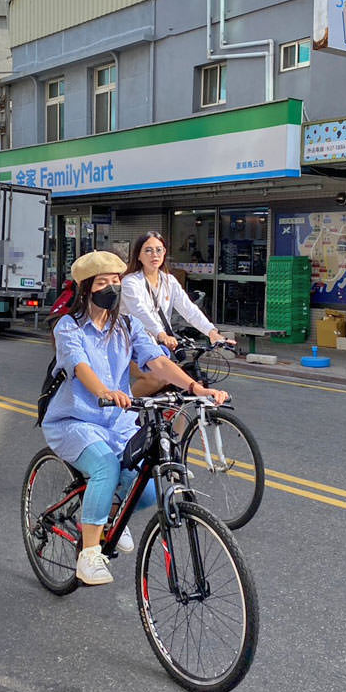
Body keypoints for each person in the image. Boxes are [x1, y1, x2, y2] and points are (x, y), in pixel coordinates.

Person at [41, 250, 229, 586]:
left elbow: (157, 361)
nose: (111, 289)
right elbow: (80, 366)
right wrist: (105, 391)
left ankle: (107, 517)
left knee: (147, 490)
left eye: (116, 281)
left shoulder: (128, 324)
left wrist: (195, 387)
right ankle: (88, 555)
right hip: (76, 420)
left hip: (118, 422)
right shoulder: (69, 327)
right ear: (86, 288)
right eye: (103, 283)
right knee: (105, 468)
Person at [120, 231, 234, 397]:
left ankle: (178, 422)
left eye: (159, 250)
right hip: (129, 343)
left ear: (164, 253)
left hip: (156, 344)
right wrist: (161, 334)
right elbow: (141, 312)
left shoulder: (169, 281)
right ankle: (123, 413)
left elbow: (189, 309)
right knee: (155, 379)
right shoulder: (131, 282)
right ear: (138, 255)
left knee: (188, 383)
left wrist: (212, 333)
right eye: (148, 250)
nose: (154, 255)